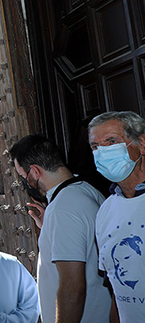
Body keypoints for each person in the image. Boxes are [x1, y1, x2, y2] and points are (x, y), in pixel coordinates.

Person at [9, 134, 110, 323]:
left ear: (35, 172)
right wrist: (49, 228)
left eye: (24, 177)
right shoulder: (85, 190)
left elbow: (73, 287)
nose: (26, 183)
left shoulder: (63, 208)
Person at [89, 111, 145, 323]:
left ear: (142, 143)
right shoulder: (105, 211)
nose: (103, 152)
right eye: (95, 147)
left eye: (111, 141)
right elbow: (116, 291)